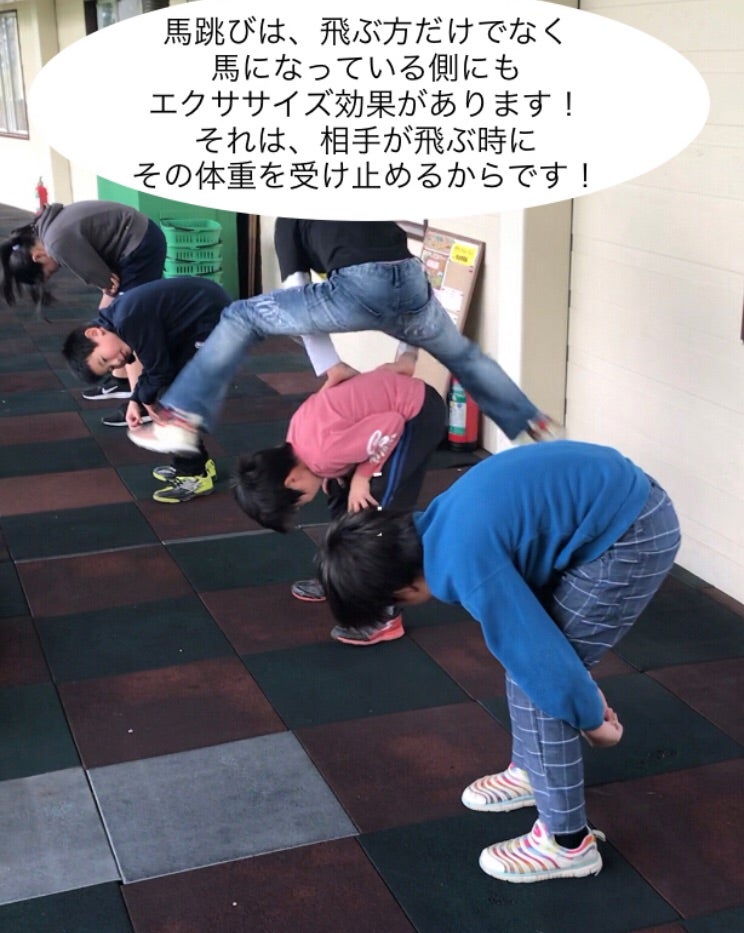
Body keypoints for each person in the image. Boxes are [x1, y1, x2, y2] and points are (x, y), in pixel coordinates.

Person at [316, 441, 681, 883]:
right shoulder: (437, 524)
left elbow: (541, 660)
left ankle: (568, 843)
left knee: (539, 685)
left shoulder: (463, 561)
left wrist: (592, 722)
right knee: (531, 663)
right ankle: (533, 770)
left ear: (401, 592)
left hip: (631, 534)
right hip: (618, 506)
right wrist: (577, 687)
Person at [125, 219, 556, 458]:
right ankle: (529, 421)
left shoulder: (289, 218)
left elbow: (298, 294)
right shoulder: (351, 193)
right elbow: (393, 273)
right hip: (411, 279)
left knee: (240, 316)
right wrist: (408, 353)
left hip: (361, 285)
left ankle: (183, 417)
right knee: (463, 355)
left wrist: (329, 364)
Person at [232, 367, 447, 645]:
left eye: (297, 504)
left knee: (380, 509)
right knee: (337, 487)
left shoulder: (323, 454)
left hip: (416, 414)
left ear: (292, 479)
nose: (302, 505)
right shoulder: (297, 440)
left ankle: (385, 616)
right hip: (384, 417)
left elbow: (391, 424)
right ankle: (341, 575)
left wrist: (362, 476)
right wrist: (334, 472)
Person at [62, 276, 228, 503]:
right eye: (110, 368)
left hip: (211, 316)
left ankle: (194, 474)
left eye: (104, 359)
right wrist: (136, 401)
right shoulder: (118, 321)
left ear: (94, 333)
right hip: (197, 315)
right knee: (165, 389)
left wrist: (147, 401)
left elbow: (159, 371)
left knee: (172, 396)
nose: (116, 364)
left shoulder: (128, 320)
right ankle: (198, 464)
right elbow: (153, 366)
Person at [0, 199, 167, 415]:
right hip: (135, 240)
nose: (56, 271)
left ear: (38, 256)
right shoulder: (45, 228)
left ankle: (142, 402)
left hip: (140, 245)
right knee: (108, 315)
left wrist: (108, 289)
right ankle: (122, 381)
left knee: (129, 325)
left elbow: (108, 282)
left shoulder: (56, 244)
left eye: (49, 272)